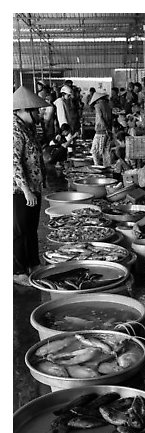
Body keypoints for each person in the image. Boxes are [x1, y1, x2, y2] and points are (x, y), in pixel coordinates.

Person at [13, 86, 48, 286]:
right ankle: (18, 271)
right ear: (24, 110)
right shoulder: (14, 129)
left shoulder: (28, 127)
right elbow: (13, 162)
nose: (39, 113)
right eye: (36, 110)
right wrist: (26, 190)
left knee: (31, 228)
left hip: (33, 185)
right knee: (19, 230)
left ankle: (33, 264)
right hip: (19, 190)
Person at [89, 91, 112, 166]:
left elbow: (100, 117)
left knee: (94, 151)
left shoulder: (97, 106)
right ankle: (107, 168)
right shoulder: (107, 105)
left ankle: (97, 167)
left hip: (100, 131)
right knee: (106, 152)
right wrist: (107, 129)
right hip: (107, 131)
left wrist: (104, 127)